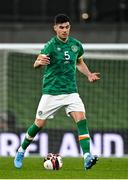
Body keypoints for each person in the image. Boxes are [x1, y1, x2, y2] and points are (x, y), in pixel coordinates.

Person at [14, 14, 100, 170]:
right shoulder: (50, 46)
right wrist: (38, 62)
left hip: (71, 92)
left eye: (67, 27)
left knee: (82, 120)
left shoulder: (76, 45)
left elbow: (79, 62)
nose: (65, 30)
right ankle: (21, 150)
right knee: (38, 124)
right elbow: (37, 62)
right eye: (61, 27)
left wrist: (88, 74)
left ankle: (87, 156)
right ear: (55, 28)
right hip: (51, 92)